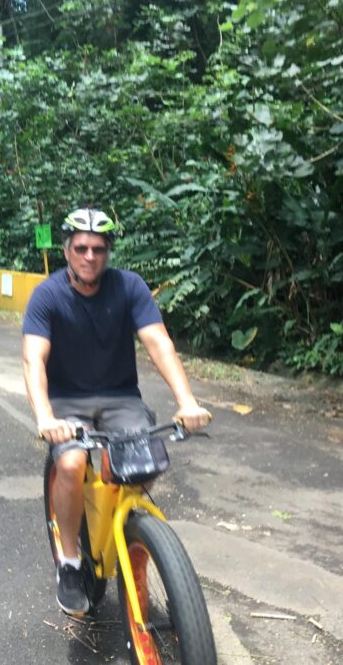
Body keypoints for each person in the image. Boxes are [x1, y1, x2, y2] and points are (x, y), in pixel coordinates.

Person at [22, 206, 211, 616]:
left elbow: (158, 342)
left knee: (140, 466)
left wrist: (187, 401)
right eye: (82, 248)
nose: (90, 257)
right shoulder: (48, 295)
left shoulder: (129, 287)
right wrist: (44, 416)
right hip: (68, 402)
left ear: (108, 252)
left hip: (121, 398)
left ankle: (131, 535)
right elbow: (33, 360)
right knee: (71, 465)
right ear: (67, 249)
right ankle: (70, 562)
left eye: (99, 249)